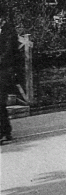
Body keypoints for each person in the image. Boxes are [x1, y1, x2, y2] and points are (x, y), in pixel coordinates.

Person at [0, 11, 21, 145]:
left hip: (5, 72)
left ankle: (3, 132)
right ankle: (6, 130)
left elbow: (9, 53)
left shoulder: (8, 31)